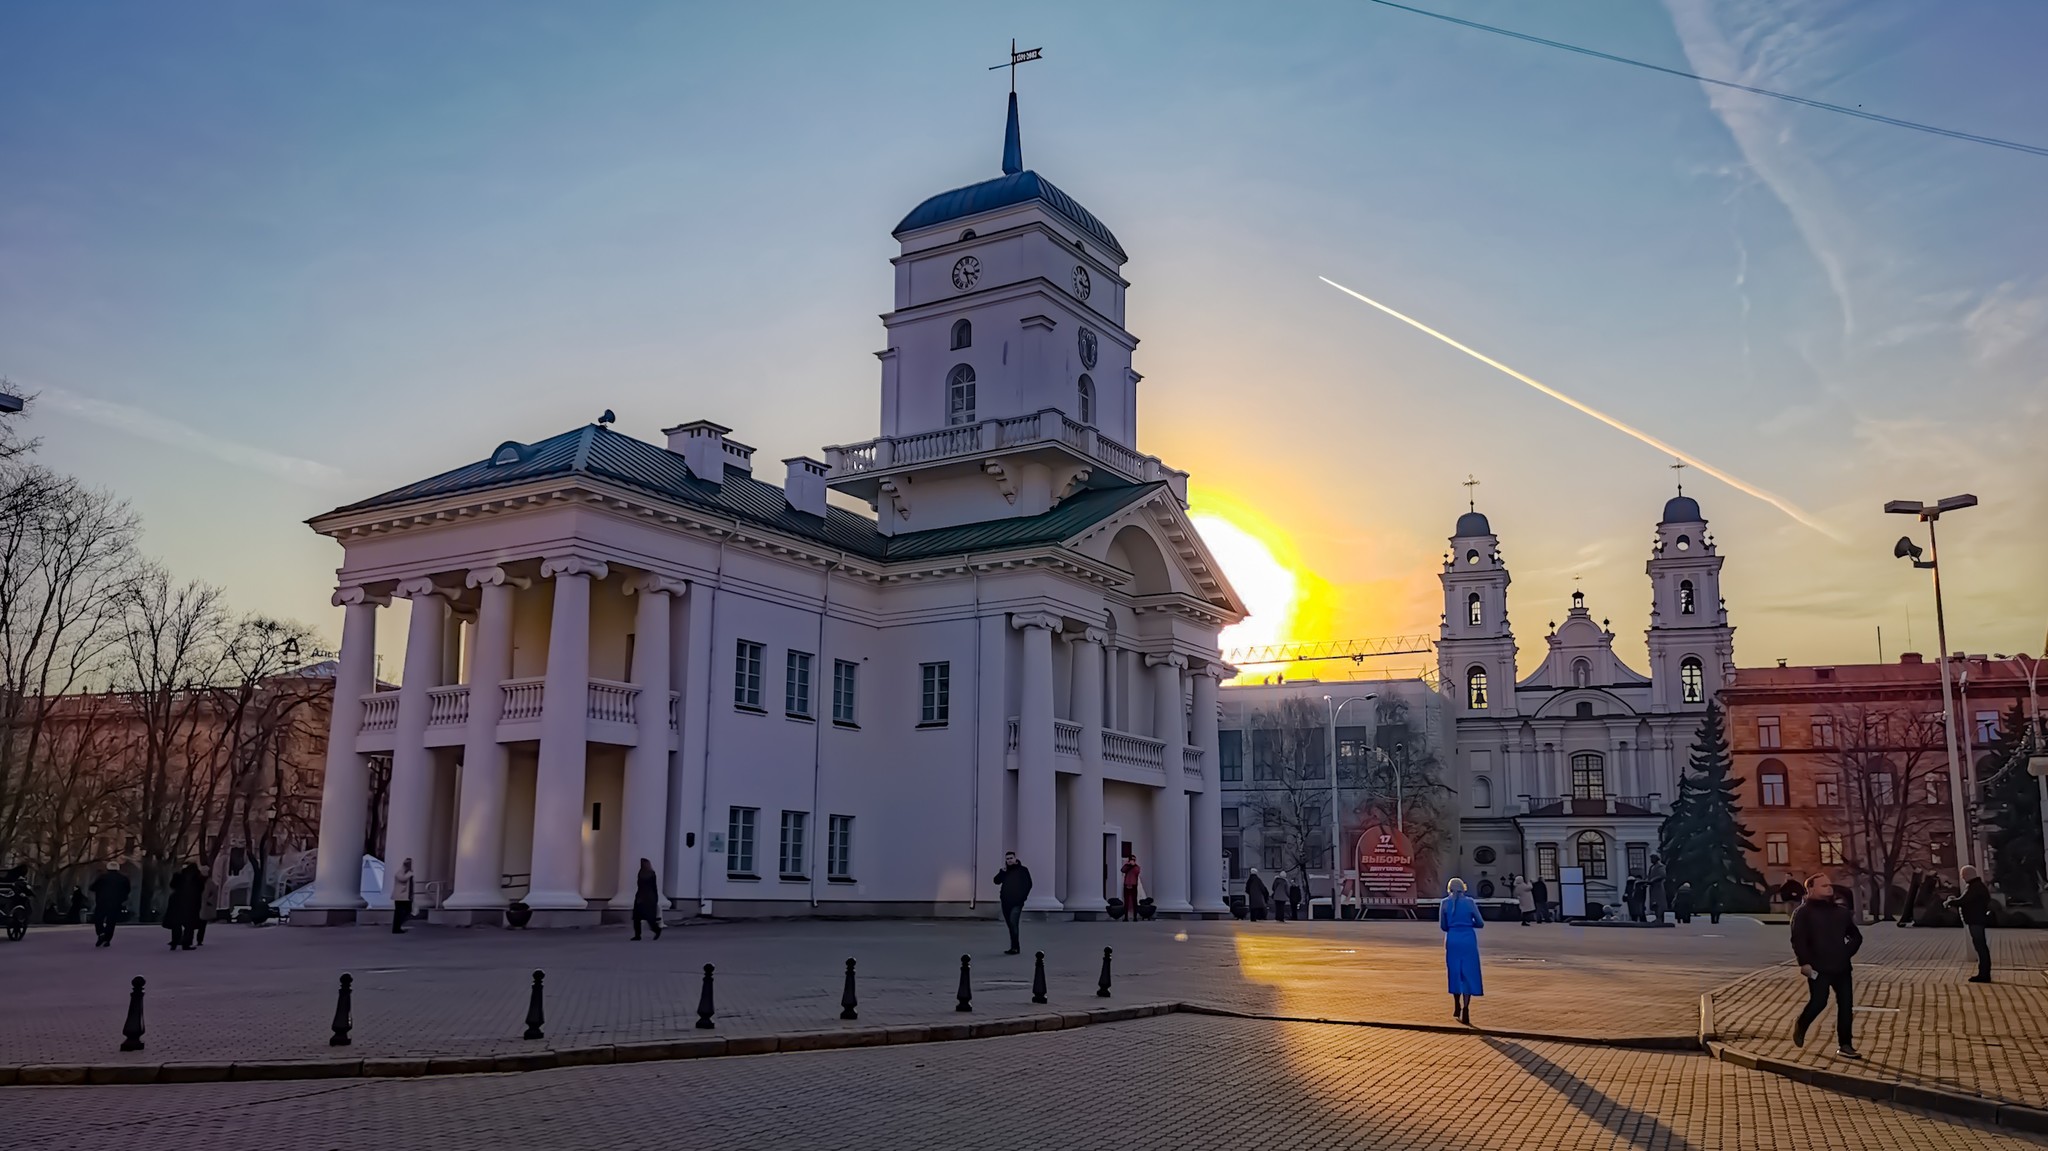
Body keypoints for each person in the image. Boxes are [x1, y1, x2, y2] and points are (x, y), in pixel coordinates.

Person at [1790, 874, 1863, 1058]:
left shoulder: (1840, 912)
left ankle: (1845, 1045)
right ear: (1811, 889)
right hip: (1818, 967)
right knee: (1819, 1001)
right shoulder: (1803, 912)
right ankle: (1802, 1024)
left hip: (1842, 967)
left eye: (1829, 884)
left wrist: (1845, 952)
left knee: (1846, 1005)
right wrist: (1804, 962)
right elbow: (1799, 940)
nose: (1829, 888)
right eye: (1823, 885)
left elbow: (1856, 936)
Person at [1440, 877, 1485, 1025]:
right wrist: (1468, 924)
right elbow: (1480, 922)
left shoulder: (1444, 903)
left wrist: (1454, 926)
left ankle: (1456, 1004)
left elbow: (1443, 926)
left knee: (1454, 972)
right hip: (1468, 940)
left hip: (1452, 939)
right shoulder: (1470, 902)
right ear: (1463, 887)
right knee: (1468, 973)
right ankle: (1466, 1008)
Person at [1946, 865, 1992, 983]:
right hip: (1977, 919)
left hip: (1975, 920)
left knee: (1980, 947)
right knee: (1981, 946)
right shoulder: (1977, 886)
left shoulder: (1974, 887)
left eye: (1963, 875)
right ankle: (1984, 973)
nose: (1962, 878)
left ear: (1966, 875)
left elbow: (1964, 901)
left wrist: (1950, 902)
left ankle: (1984, 974)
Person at [992, 851, 1031, 954]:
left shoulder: (1023, 870)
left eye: (1011, 858)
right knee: (1010, 924)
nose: (1009, 860)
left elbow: (1028, 884)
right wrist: (1002, 872)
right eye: (1007, 859)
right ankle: (1014, 946)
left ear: (1015, 858)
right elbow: (996, 881)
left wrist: (1022, 898)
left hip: (1017, 903)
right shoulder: (1005, 871)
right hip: (1006, 902)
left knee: (1014, 923)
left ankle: (1015, 948)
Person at [165, 862, 203, 950]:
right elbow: (200, 889)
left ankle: (174, 942)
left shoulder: (179, 876)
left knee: (176, 923)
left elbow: (172, 885)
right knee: (189, 925)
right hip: (191, 903)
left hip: (177, 901)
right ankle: (186, 943)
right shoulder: (197, 878)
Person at [89, 865, 130, 948]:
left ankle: (101, 932)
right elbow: (127, 890)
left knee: (99, 918)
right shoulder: (123, 878)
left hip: (102, 901)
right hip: (116, 902)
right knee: (111, 921)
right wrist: (122, 899)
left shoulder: (102, 877)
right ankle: (107, 939)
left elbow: (92, 887)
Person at [630, 857, 663, 941]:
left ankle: (656, 930)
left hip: (646, 898)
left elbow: (653, 887)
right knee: (637, 918)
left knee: (647, 918)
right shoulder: (643, 873)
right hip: (643, 897)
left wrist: (655, 898)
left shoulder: (649, 874)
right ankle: (638, 935)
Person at [391, 857, 415, 934]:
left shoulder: (408, 872)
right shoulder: (400, 872)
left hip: (406, 897)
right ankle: (396, 928)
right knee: (399, 913)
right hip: (400, 897)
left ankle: (398, 926)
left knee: (407, 910)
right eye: (407, 863)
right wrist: (410, 874)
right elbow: (402, 879)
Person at [1119, 852, 1141, 923]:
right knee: (1126, 901)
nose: (1131, 861)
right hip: (1126, 885)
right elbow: (1122, 870)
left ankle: (1135, 917)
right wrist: (1128, 865)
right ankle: (1126, 917)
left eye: (1133, 860)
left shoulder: (1136, 867)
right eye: (1130, 860)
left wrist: (1133, 865)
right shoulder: (1127, 866)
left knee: (1134, 901)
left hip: (1133, 885)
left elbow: (1137, 872)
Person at [1647, 855, 1668, 924]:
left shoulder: (1660, 866)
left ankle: (1660, 918)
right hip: (1653, 887)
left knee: (1659, 903)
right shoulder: (1651, 867)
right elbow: (1649, 876)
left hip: (1658, 887)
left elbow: (1662, 875)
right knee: (1654, 903)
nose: (1651, 860)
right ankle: (1657, 917)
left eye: (1652, 858)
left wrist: (1653, 880)